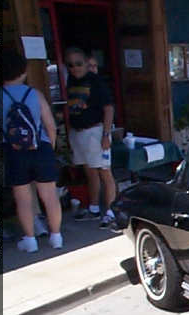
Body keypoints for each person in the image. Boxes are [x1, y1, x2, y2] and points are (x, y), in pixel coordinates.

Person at [1, 49, 63, 252]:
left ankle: (30, 240)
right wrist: (49, 147)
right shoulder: (34, 94)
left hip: (14, 151)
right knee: (50, 195)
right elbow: (50, 125)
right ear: (23, 71)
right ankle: (56, 237)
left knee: (23, 198)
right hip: (40, 147)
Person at [64, 47, 117, 228]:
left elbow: (108, 108)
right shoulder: (71, 81)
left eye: (78, 64)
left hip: (95, 131)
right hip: (78, 131)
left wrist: (106, 135)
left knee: (104, 171)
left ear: (87, 63)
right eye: (70, 65)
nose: (75, 68)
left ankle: (110, 211)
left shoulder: (96, 82)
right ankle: (94, 208)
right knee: (89, 171)